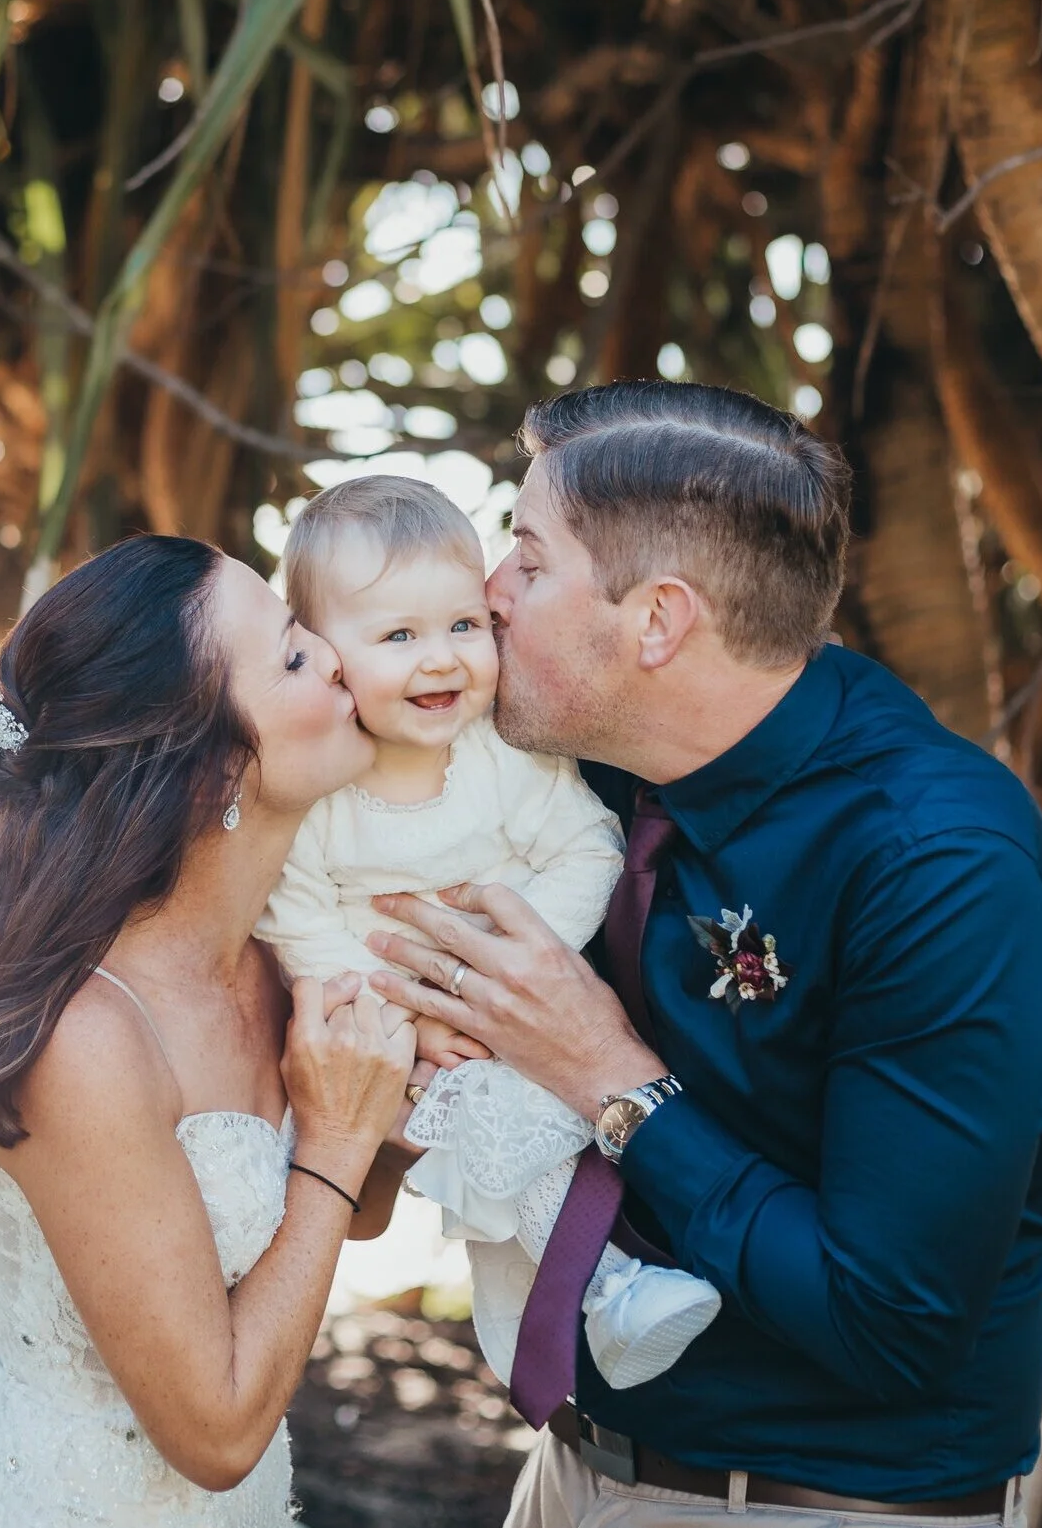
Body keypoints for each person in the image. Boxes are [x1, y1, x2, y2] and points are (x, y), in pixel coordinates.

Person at [364, 382, 1042, 1528]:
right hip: (570, 1482)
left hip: (817, 1527)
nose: (487, 591)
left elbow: (892, 1321)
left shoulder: (937, 865)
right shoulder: (596, 776)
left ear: (658, 619)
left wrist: (610, 1077)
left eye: (529, 560)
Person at [0, 535, 417, 1528]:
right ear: (213, 767)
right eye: (294, 656)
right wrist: (339, 1136)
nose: (340, 657)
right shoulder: (86, 1035)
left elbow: (338, 1213)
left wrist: (387, 1122)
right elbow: (214, 1432)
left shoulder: (281, 955)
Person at [255, 476, 722, 1395]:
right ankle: (607, 1290)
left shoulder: (506, 754)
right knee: (488, 1127)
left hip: (523, 1015)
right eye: (398, 636)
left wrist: (503, 971)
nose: (440, 659)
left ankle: (597, 1300)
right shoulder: (323, 792)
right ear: (326, 654)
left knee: (538, 1130)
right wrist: (408, 1013)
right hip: (405, 1041)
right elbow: (296, 921)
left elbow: (589, 850)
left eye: (463, 625)